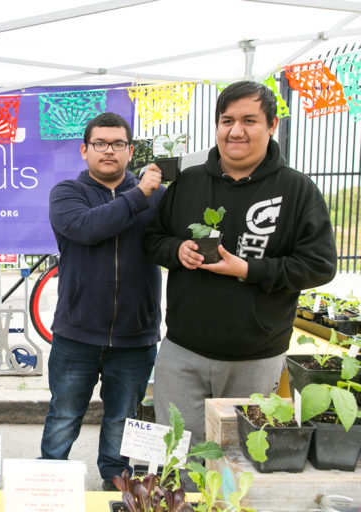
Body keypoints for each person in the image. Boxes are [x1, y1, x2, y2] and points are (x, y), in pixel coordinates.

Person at [143, 81, 337, 447]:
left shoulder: (297, 190)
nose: (236, 131)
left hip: (255, 356)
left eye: (249, 120)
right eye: (227, 120)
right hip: (183, 350)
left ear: (271, 125)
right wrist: (177, 251)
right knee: (177, 453)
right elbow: (153, 240)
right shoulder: (188, 182)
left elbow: (320, 265)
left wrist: (248, 270)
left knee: (238, 457)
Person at [40, 112, 164, 490]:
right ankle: (49, 479)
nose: (109, 151)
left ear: (130, 151)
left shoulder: (156, 197)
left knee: (122, 419)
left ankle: (116, 480)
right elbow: (89, 228)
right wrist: (139, 194)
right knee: (64, 414)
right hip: (77, 333)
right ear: (84, 150)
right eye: (100, 143)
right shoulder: (66, 194)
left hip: (135, 335)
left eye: (118, 144)